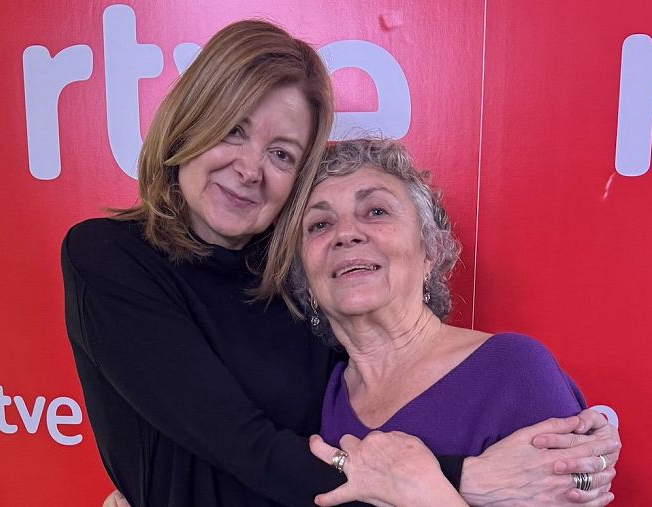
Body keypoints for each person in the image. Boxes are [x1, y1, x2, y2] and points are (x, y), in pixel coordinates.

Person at [62, 19, 619, 507]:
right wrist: (465, 480)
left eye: (281, 154)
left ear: (431, 248)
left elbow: (546, 457)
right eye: (232, 129)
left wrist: (593, 436)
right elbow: (245, 446)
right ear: (188, 125)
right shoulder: (110, 257)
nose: (250, 168)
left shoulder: (294, 286)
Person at [279, 139, 615, 506]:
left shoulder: (513, 371)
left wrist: (427, 493)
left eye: (376, 211)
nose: (345, 234)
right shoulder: (318, 398)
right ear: (304, 276)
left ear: (430, 251)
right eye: (319, 224)